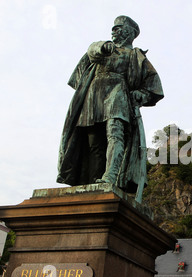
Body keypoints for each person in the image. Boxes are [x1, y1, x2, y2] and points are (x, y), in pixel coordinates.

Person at [57, 16, 163, 202]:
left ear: (130, 32)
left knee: (115, 134)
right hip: (93, 96)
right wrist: (101, 46)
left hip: (118, 94)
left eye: (118, 28)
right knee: (93, 141)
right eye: (113, 28)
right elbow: (91, 51)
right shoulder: (103, 49)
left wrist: (140, 95)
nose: (113, 31)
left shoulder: (136, 56)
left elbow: (153, 88)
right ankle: (92, 179)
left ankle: (110, 176)